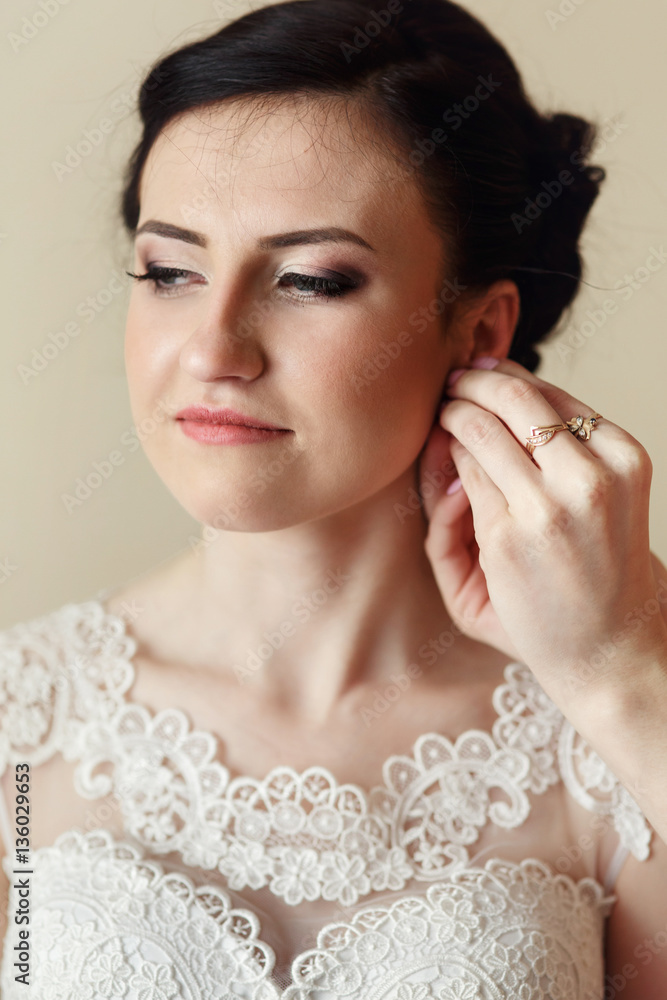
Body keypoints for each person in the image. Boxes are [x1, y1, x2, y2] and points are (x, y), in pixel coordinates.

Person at [1, 0, 666, 995]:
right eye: (170, 270)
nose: (214, 351)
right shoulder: (19, 722)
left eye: (311, 280)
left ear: (480, 332)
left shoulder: (608, 734)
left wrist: (621, 671)